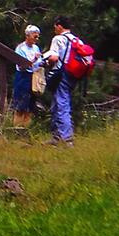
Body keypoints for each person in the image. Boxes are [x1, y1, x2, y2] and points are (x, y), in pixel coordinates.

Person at [41, 16, 80, 146]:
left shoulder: (58, 39)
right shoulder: (76, 40)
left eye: (55, 26)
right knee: (57, 104)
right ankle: (56, 137)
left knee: (62, 105)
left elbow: (54, 57)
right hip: (73, 76)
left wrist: (44, 62)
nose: (54, 29)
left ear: (59, 26)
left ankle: (67, 140)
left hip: (61, 75)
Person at [13, 24, 44, 127]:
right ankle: (16, 128)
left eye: (38, 37)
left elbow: (39, 63)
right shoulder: (21, 48)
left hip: (34, 77)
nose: (36, 39)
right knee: (20, 105)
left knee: (30, 105)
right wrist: (34, 59)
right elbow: (21, 65)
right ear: (28, 35)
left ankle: (26, 128)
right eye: (35, 36)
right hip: (23, 77)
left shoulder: (36, 48)